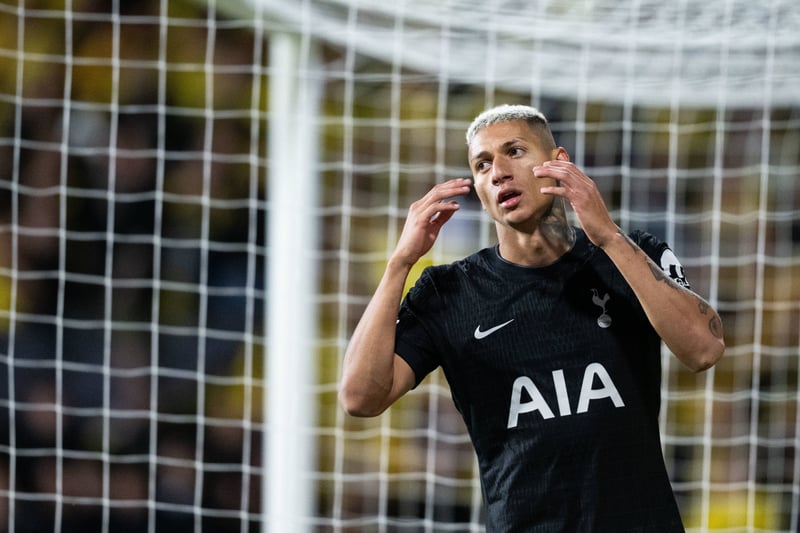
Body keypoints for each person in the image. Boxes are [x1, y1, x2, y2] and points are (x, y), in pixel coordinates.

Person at [339, 104, 725, 531]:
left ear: (560, 164)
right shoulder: (449, 293)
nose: (498, 173)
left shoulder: (633, 255)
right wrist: (399, 263)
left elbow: (704, 349)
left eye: (515, 152)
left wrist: (609, 238)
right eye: (482, 165)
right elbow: (360, 398)